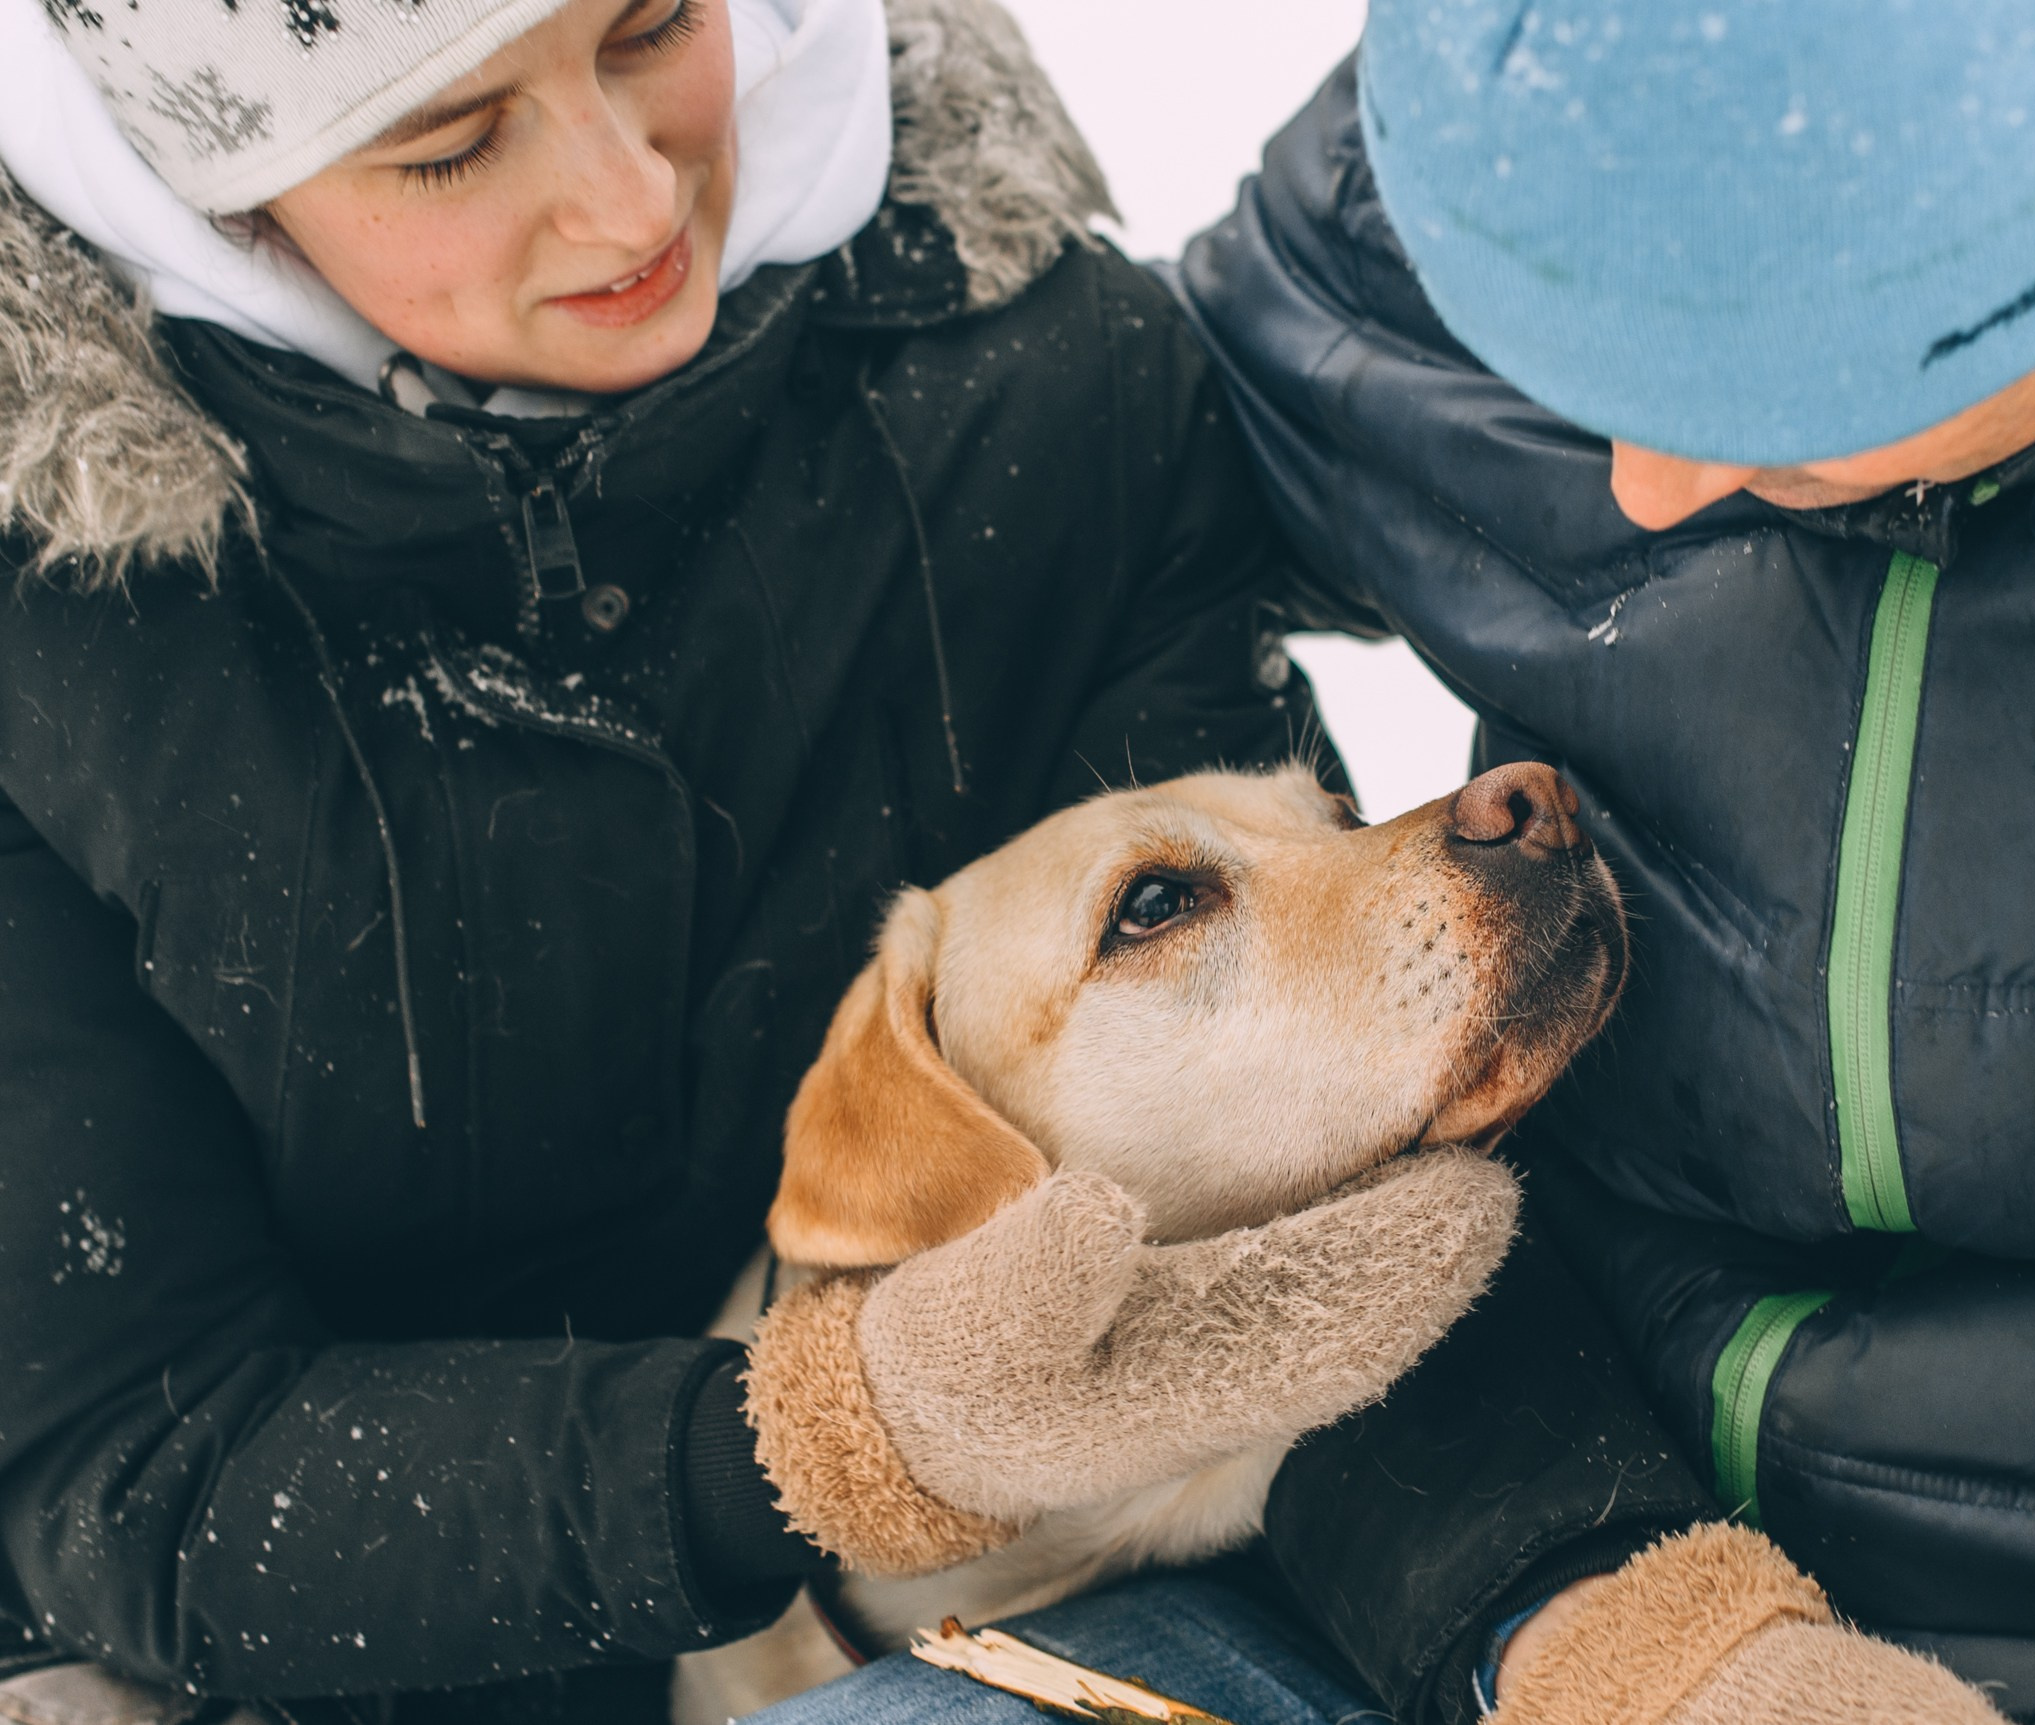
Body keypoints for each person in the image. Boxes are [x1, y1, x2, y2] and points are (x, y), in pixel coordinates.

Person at [0, 0, 1518, 1720]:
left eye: (653, 24)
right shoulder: (58, 631)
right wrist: (812, 1439)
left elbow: (1343, 1114)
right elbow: (139, 1469)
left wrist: (1582, 1613)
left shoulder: (1046, 387)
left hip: (1045, 1599)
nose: (633, 199)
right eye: (447, 142)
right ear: (220, 192)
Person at [1167, 3, 2035, 1723]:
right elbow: (1066, 513)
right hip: (1486, 1517)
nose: (1649, 489)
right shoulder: (1439, 196)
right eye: (1571, 375)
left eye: (1788, 409)